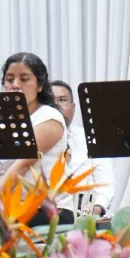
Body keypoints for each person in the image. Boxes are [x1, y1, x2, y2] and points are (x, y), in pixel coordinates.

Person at [0, 53, 74, 226]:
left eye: (24, 79)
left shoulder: (49, 118)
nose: (15, 85)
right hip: (10, 211)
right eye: (9, 79)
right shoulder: (1, 122)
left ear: (39, 85)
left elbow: (23, 164)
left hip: (47, 212)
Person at [51, 80, 116, 217]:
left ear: (73, 108)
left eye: (62, 100)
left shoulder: (92, 136)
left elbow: (105, 183)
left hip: (84, 208)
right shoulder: (35, 139)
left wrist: (95, 210)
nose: (56, 106)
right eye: (50, 101)